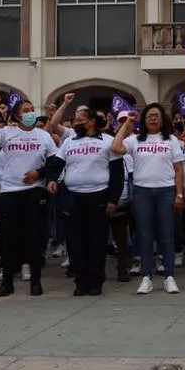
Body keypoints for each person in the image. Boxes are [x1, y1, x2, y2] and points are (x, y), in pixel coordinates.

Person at [0, 93, 59, 298]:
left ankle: (35, 281)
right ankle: (7, 281)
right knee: (9, 238)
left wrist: (39, 174)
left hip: (34, 192)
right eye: (26, 110)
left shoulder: (44, 136)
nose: (30, 113)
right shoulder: (7, 132)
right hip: (9, 192)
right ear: (16, 115)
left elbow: (54, 162)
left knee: (34, 238)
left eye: (32, 110)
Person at [111, 103, 185, 295]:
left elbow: (179, 169)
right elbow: (116, 147)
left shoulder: (171, 140)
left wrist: (179, 194)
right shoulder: (135, 140)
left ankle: (169, 277)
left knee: (166, 235)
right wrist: (127, 122)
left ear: (163, 119)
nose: (153, 119)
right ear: (144, 120)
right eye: (149, 116)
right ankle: (146, 277)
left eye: (157, 116)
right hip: (143, 192)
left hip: (166, 192)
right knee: (144, 235)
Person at [55, 106, 122, 296]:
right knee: (75, 242)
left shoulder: (108, 141)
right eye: (75, 122)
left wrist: (113, 199)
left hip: (98, 196)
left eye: (80, 121)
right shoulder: (69, 142)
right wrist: (50, 178)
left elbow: (117, 173)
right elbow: (57, 164)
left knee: (97, 241)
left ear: (91, 122)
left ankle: (95, 281)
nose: (76, 124)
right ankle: (80, 280)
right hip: (73, 197)